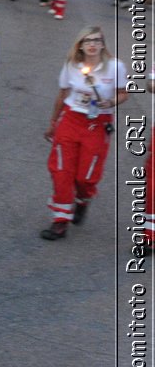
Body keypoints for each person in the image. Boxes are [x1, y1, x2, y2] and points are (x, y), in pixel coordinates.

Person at [40, 27, 127, 239]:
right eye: (87, 40)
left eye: (97, 40)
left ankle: (83, 199)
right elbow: (62, 94)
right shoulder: (72, 65)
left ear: (103, 44)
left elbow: (124, 93)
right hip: (71, 120)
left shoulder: (115, 67)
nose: (92, 44)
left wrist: (111, 102)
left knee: (85, 177)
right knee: (62, 170)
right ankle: (60, 220)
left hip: (97, 124)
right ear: (80, 44)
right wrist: (53, 122)